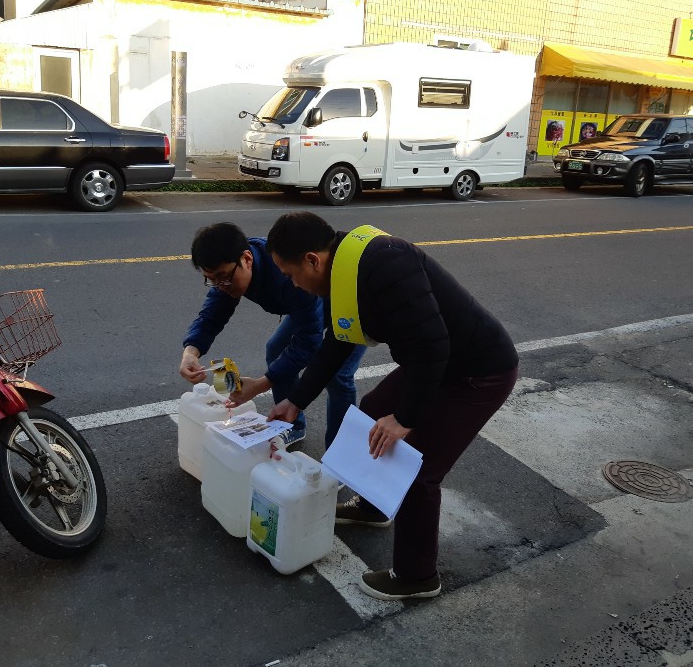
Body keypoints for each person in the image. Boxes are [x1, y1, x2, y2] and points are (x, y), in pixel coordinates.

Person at [265, 213, 519, 601]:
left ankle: (418, 577)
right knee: (371, 408)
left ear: (313, 259)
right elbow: (338, 341)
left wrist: (406, 420)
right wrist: (295, 400)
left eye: (290, 273)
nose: (292, 284)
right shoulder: (342, 270)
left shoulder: (385, 262)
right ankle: (374, 504)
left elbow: (434, 344)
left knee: (417, 467)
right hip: (435, 363)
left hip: (477, 372)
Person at [179, 222, 365, 447]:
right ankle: (291, 426)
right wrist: (191, 351)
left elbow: (309, 341)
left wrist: (261, 384)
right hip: (310, 305)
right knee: (275, 350)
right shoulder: (228, 278)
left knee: (338, 375)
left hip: (352, 301)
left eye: (224, 277)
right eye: (212, 280)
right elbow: (211, 315)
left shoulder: (289, 278)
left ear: (246, 259)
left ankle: (340, 453)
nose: (220, 285)